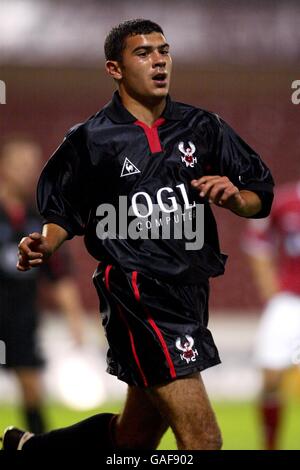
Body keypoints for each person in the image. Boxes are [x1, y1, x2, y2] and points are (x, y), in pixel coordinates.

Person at [2, 19, 274, 450]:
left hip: (189, 290)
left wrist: (237, 199)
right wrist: (46, 242)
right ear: (115, 68)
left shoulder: (202, 127)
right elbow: (63, 211)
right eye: (143, 53)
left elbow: (259, 190)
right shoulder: (90, 140)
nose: (159, 60)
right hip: (137, 292)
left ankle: (33, 449)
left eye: (164, 50)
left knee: (132, 441)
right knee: (203, 442)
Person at [0, 136, 85, 435]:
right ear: (4, 168)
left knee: (33, 390)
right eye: (20, 165)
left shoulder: (40, 223)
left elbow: (60, 277)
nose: (27, 172)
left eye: (32, 166)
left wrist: (76, 323)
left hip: (22, 318)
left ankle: (39, 447)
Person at [242, 180, 300, 450]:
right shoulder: (287, 201)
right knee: (270, 376)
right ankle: (270, 445)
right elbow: (257, 241)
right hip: (289, 301)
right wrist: (270, 289)